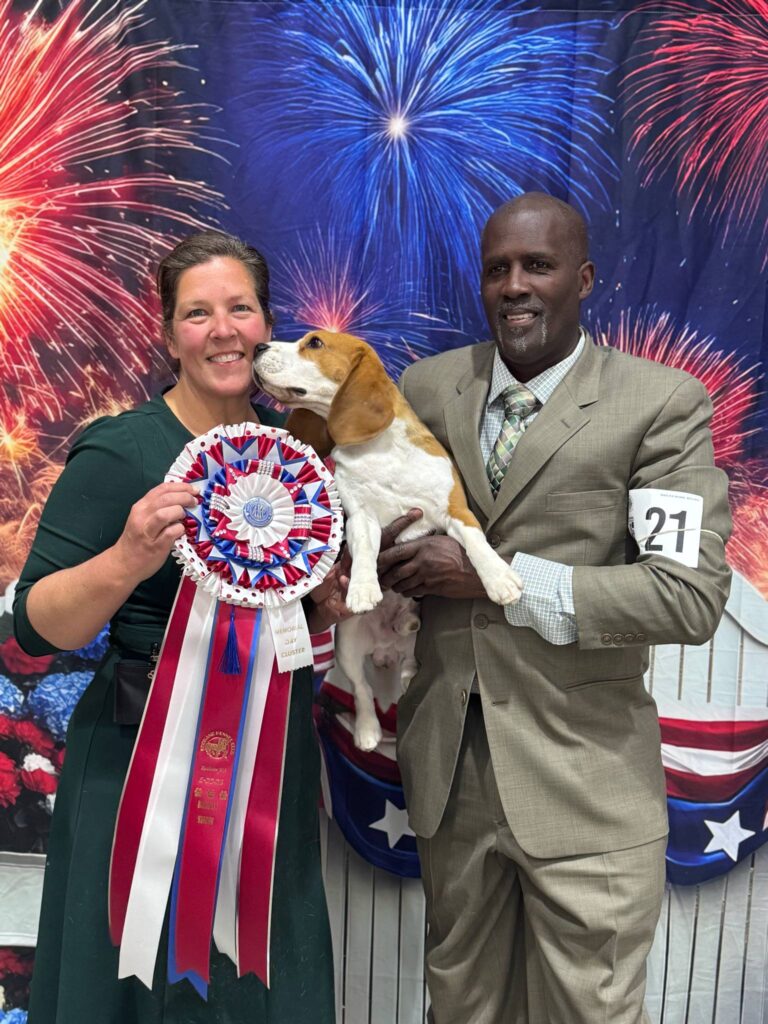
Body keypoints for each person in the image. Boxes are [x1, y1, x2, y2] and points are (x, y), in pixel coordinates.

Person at [377, 193, 732, 1023]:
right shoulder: (428, 388)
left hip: (586, 787)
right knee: (460, 1010)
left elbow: (685, 598)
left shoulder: (660, 403)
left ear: (585, 278)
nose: (514, 286)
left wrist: (492, 575)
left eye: (537, 265)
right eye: (497, 269)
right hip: (452, 781)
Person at [13, 230, 346, 1023]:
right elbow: (34, 626)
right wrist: (125, 559)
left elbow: (303, 607)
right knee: (129, 988)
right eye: (197, 314)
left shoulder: (300, 452)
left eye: (240, 309)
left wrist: (327, 602)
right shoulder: (121, 450)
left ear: (268, 326)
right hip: (134, 770)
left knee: (254, 979)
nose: (222, 330)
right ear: (168, 337)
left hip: (267, 767)